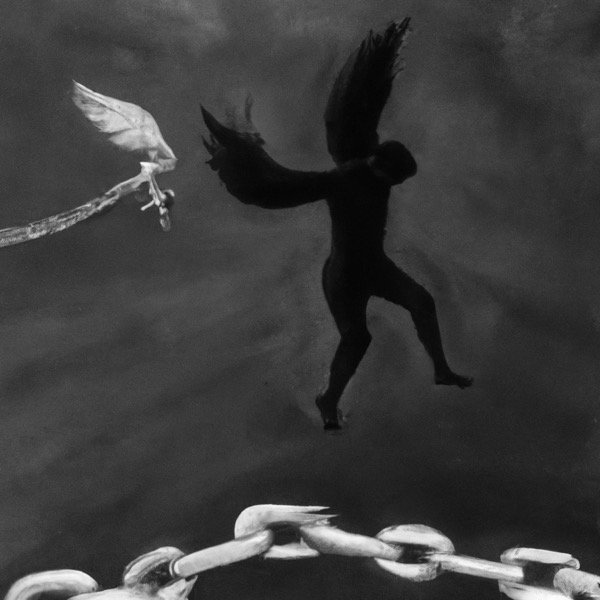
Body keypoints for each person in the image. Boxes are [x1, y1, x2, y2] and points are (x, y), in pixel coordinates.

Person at [202, 18, 472, 430]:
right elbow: (295, 186)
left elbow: (356, 124)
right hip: (345, 275)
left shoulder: (368, 161)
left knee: (422, 302)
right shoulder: (344, 179)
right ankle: (328, 399)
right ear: (382, 167)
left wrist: (378, 68)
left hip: (374, 265)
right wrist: (248, 164)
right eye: (395, 180)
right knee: (357, 338)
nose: (396, 186)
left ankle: (440, 370)